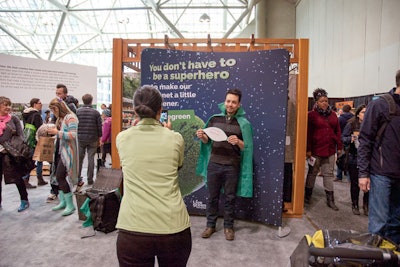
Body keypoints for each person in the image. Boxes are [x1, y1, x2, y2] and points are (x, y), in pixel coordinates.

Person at [116, 85, 191, 266]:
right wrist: (168, 131)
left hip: (132, 228)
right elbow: (177, 166)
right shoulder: (175, 138)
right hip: (173, 228)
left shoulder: (122, 138)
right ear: (160, 110)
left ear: (135, 111)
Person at [196, 88, 254, 241]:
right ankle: (210, 225)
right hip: (214, 164)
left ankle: (228, 227)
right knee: (212, 197)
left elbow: (246, 147)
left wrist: (239, 141)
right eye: (228, 101)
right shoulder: (214, 119)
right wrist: (202, 136)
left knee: (230, 198)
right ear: (225, 101)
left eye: (234, 102)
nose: (230, 104)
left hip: (231, 167)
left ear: (239, 104)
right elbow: (207, 142)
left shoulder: (244, 124)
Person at [358, 69, 400, 244]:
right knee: (379, 224)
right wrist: (363, 174)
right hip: (381, 173)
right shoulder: (381, 104)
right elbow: (365, 139)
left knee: (396, 223)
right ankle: (374, 259)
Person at [305, 88, 343, 211]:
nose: (325, 103)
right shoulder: (311, 115)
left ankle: (330, 200)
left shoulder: (333, 115)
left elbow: (337, 131)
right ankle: (307, 196)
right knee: (312, 173)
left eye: (326, 101)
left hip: (330, 150)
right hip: (315, 150)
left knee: (328, 174)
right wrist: (308, 149)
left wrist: (339, 147)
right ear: (316, 102)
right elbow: (308, 133)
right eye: (322, 101)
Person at [46, 97, 79, 216]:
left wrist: (57, 133)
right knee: (57, 175)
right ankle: (64, 201)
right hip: (60, 150)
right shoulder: (62, 118)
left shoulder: (71, 118)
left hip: (68, 152)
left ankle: (70, 205)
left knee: (60, 176)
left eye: (53, 110)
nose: (53, 113)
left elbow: (73, 135)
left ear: (58, 108)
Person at [0, 96, 30, 212]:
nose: (8, 107)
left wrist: (7, 138)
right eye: (5, 105)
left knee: (17, 177)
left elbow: (21, 135)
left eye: (9, 105)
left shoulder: (14, 119)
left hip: (11, 153)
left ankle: (24, 200)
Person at [342, 104, 368, 215]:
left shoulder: (371, 124)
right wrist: (350, 139)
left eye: (367, 112)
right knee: (354, 183)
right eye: (363, 112)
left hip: (368, 159)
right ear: (357, 114)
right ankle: (355, 204)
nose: (365, 114)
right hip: (354, 157)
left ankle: (366, 206)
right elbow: (343, 137)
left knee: (368, 185)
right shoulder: (351, 124)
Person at [76, 94, 102, 185]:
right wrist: (99, 138)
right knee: (91, 158)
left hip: (80, 138)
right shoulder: (96, 113)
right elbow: (99, 127)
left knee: (79, 159)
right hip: (93, 138)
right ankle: (90, 179)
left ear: (83, 101)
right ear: (91, 101)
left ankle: (78, 178)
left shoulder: (77, 112)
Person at [22, 98, 48, 188]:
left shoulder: (26, 114)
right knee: (37, 159)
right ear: (34, 104)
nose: (41, 104)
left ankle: (27, 179)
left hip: (28, 140)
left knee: (31, 159)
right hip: (36, 140)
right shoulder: (36, 115)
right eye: (39, 103)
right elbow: (39, 128)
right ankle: (35, 178)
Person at [335, 104, 354, 182]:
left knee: (340, 158)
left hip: (341, 140)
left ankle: (339, 176)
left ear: (342, 110)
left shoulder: (340, 119)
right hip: (352, 141)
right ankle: (350, 178)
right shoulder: (354, 119)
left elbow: (336, 130)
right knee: (350, 160)